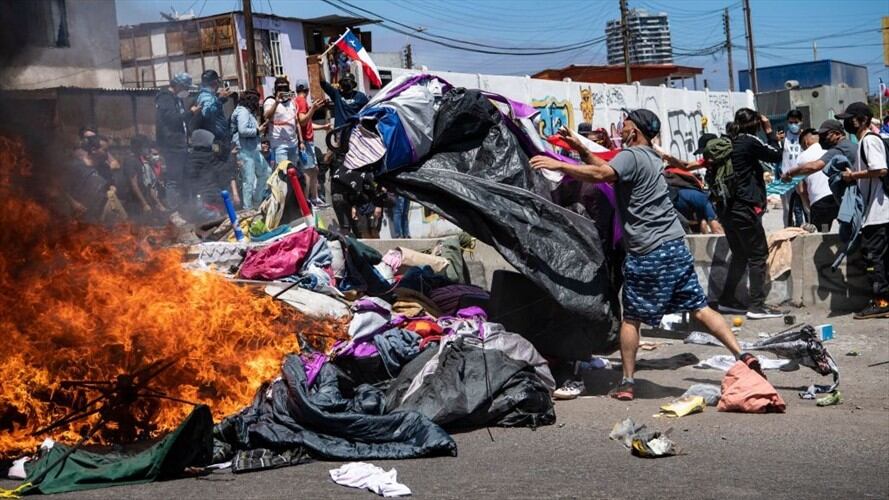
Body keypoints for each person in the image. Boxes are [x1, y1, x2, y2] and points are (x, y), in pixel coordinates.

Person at [529, 109, 761, 401]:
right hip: (676, 245)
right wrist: (578, 148)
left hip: (648, 249)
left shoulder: (632, 154)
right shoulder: (651, 156)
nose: (620, 130)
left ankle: (627, 382)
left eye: (625, 125)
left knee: (632, 319)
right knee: (700, 308)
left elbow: (602, 173)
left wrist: (558, 165)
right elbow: (606, 170)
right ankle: (743, 355)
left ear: (635, 130)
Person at [717, 108, 786, 319]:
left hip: (727, 209)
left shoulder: (729, 141)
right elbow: (776, 155)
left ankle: (727, 300)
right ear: (754, 124)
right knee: (758, 255)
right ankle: (757, 305)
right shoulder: (748, 140)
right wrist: (769, 130)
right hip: (745, 208)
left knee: (740, 255)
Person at [835, 102, 889, 319]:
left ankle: (881, 301)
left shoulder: (869, 141)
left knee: (873, 258)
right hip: (878, 211)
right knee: (882, 259)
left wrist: (852, 176)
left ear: (864, 119)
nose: (848, 122)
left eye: (852, 118)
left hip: (879, 212)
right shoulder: (866, 142)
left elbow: (881, 169)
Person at [155, 72, 192, 208]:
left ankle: (186, 208)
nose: (187, 91)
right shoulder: (165, 98)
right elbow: (173, 119)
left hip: (181, 143)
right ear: (178, 85)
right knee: (173, 179)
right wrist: (191, 113)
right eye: (186, 88)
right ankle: (174, 210)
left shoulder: (177, 99)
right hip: (171, 144)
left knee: (183, 178)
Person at [793, 128, 837, 232]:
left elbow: (801, 189)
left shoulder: (801, 158)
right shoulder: (829, 153)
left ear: (806, 142)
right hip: (836, 198)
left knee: (821, 234)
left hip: (819, 202)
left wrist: (808, 206)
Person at [231, 89, 268, 210]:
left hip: (252, 149)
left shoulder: (248, 112)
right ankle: (248, 208)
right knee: (248, 181)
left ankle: (257, 200)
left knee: (266, 172)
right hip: (244, 150)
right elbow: (242, 130)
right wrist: (258, 131)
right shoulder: (242, 112)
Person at [295, 80, 327, 206]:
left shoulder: (298, 101)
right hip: (305, 142)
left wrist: (323, 126)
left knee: (313, 169)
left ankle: (314, 198)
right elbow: (302, 121)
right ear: (308, 90)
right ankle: (307, 199)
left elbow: (307, 124)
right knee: (308, 171)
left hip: (308, 140)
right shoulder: (301, 101)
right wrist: (313, 109)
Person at [122, 134, 167, 217]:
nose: (147, 149)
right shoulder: (130, 161)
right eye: (145, 147)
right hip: (134, 203)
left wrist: (158, 204)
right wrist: (144, 204)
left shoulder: (139, 160)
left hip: (143, 201)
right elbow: (134, 185)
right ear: (138, 147)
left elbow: (148, 186)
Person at [263, 76, 302, 168]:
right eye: (280, 88)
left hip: (293, 143)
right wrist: (276, 103)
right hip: (279, 144)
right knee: (283, 173)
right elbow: (266, 116)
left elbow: (296, 122)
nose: (282, 90)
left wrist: (301, 141)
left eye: (285, 88)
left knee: (293, 173)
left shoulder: (291, 102)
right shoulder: (270, 101)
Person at [778, 109, 807, 227]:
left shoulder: (805, 136)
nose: (793, 125)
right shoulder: (784, 136)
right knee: (787, 208)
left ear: (801, 122)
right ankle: (788, 227)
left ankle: (809, 226)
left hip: (802, 175)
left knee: (805, 205)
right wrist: (778, 141)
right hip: (786, 176)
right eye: (790, 122)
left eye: (796, 122)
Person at [194, 70, 232, 145]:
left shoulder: (210, 96)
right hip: (215, 139)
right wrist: (220, 100)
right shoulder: (206, 96)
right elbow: (207, 114)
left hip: (218, 138)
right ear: (215, 82)